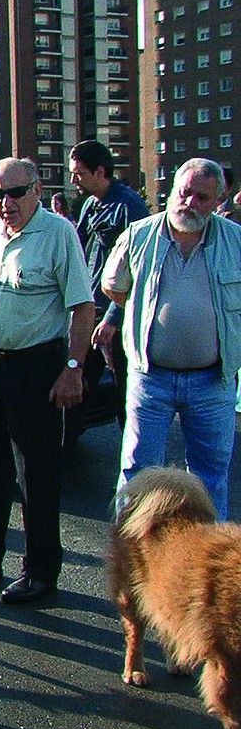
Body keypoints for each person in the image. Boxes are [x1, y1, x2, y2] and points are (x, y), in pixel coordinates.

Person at [0, 158, 94, 604]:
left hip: (39, 364)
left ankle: (40, 571)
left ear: (37, 189)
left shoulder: (58, 234)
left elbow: (82, 308)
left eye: (15, 193)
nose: (5, 203)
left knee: (37, 474)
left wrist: (73, 368)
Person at [102, 158, 241, 519]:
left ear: (217, 201)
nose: (190, 203)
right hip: (151, 377)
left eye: (202, 197)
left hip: (213, 380)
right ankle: (129, 563)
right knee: (137, 476)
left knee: (211, 479)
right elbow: (113, 287)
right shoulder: (138, 236)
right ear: (171, 192)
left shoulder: (236, 242)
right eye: (184, 193)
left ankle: (205, 566)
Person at [68, 139, 150, 433]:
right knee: (76, 380)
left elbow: (139, 272)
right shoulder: (90, 205)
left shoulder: (130, 207)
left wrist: (113, 319)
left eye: (78, 173)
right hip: (88, 310)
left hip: (115, 317)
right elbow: (78, 251)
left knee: (125, 389)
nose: (73, 180)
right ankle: (68, 444)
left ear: (100, 171)